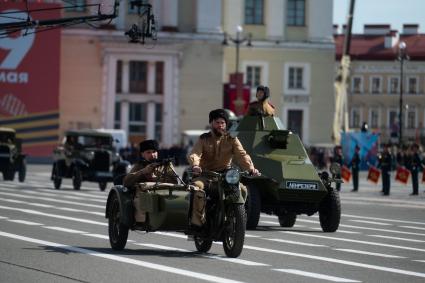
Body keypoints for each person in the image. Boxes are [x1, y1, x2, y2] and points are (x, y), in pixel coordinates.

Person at [188, 109, 260, 226]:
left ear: (226, 124)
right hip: (206, 175)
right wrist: (195, 165)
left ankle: (237, 217)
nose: (220, 125)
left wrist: (251, 168)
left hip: (226, 176)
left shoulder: (232, 139)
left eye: (223, 123)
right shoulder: (204, 138)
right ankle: (197, 223)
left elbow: (242, 155)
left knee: (242, 189)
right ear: (211, 123)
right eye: (217, 122)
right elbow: (195, 154)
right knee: (197, 188)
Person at [123, 139, 178, 224]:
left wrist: (156, 178)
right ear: (142, 154)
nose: (152, 155)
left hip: (164, 196)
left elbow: (175, 182)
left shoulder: (166, 165)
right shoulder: (139, 165)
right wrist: (143, 171)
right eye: (148, 152)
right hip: (145, 197)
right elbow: (126, 182)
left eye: (154, 151)